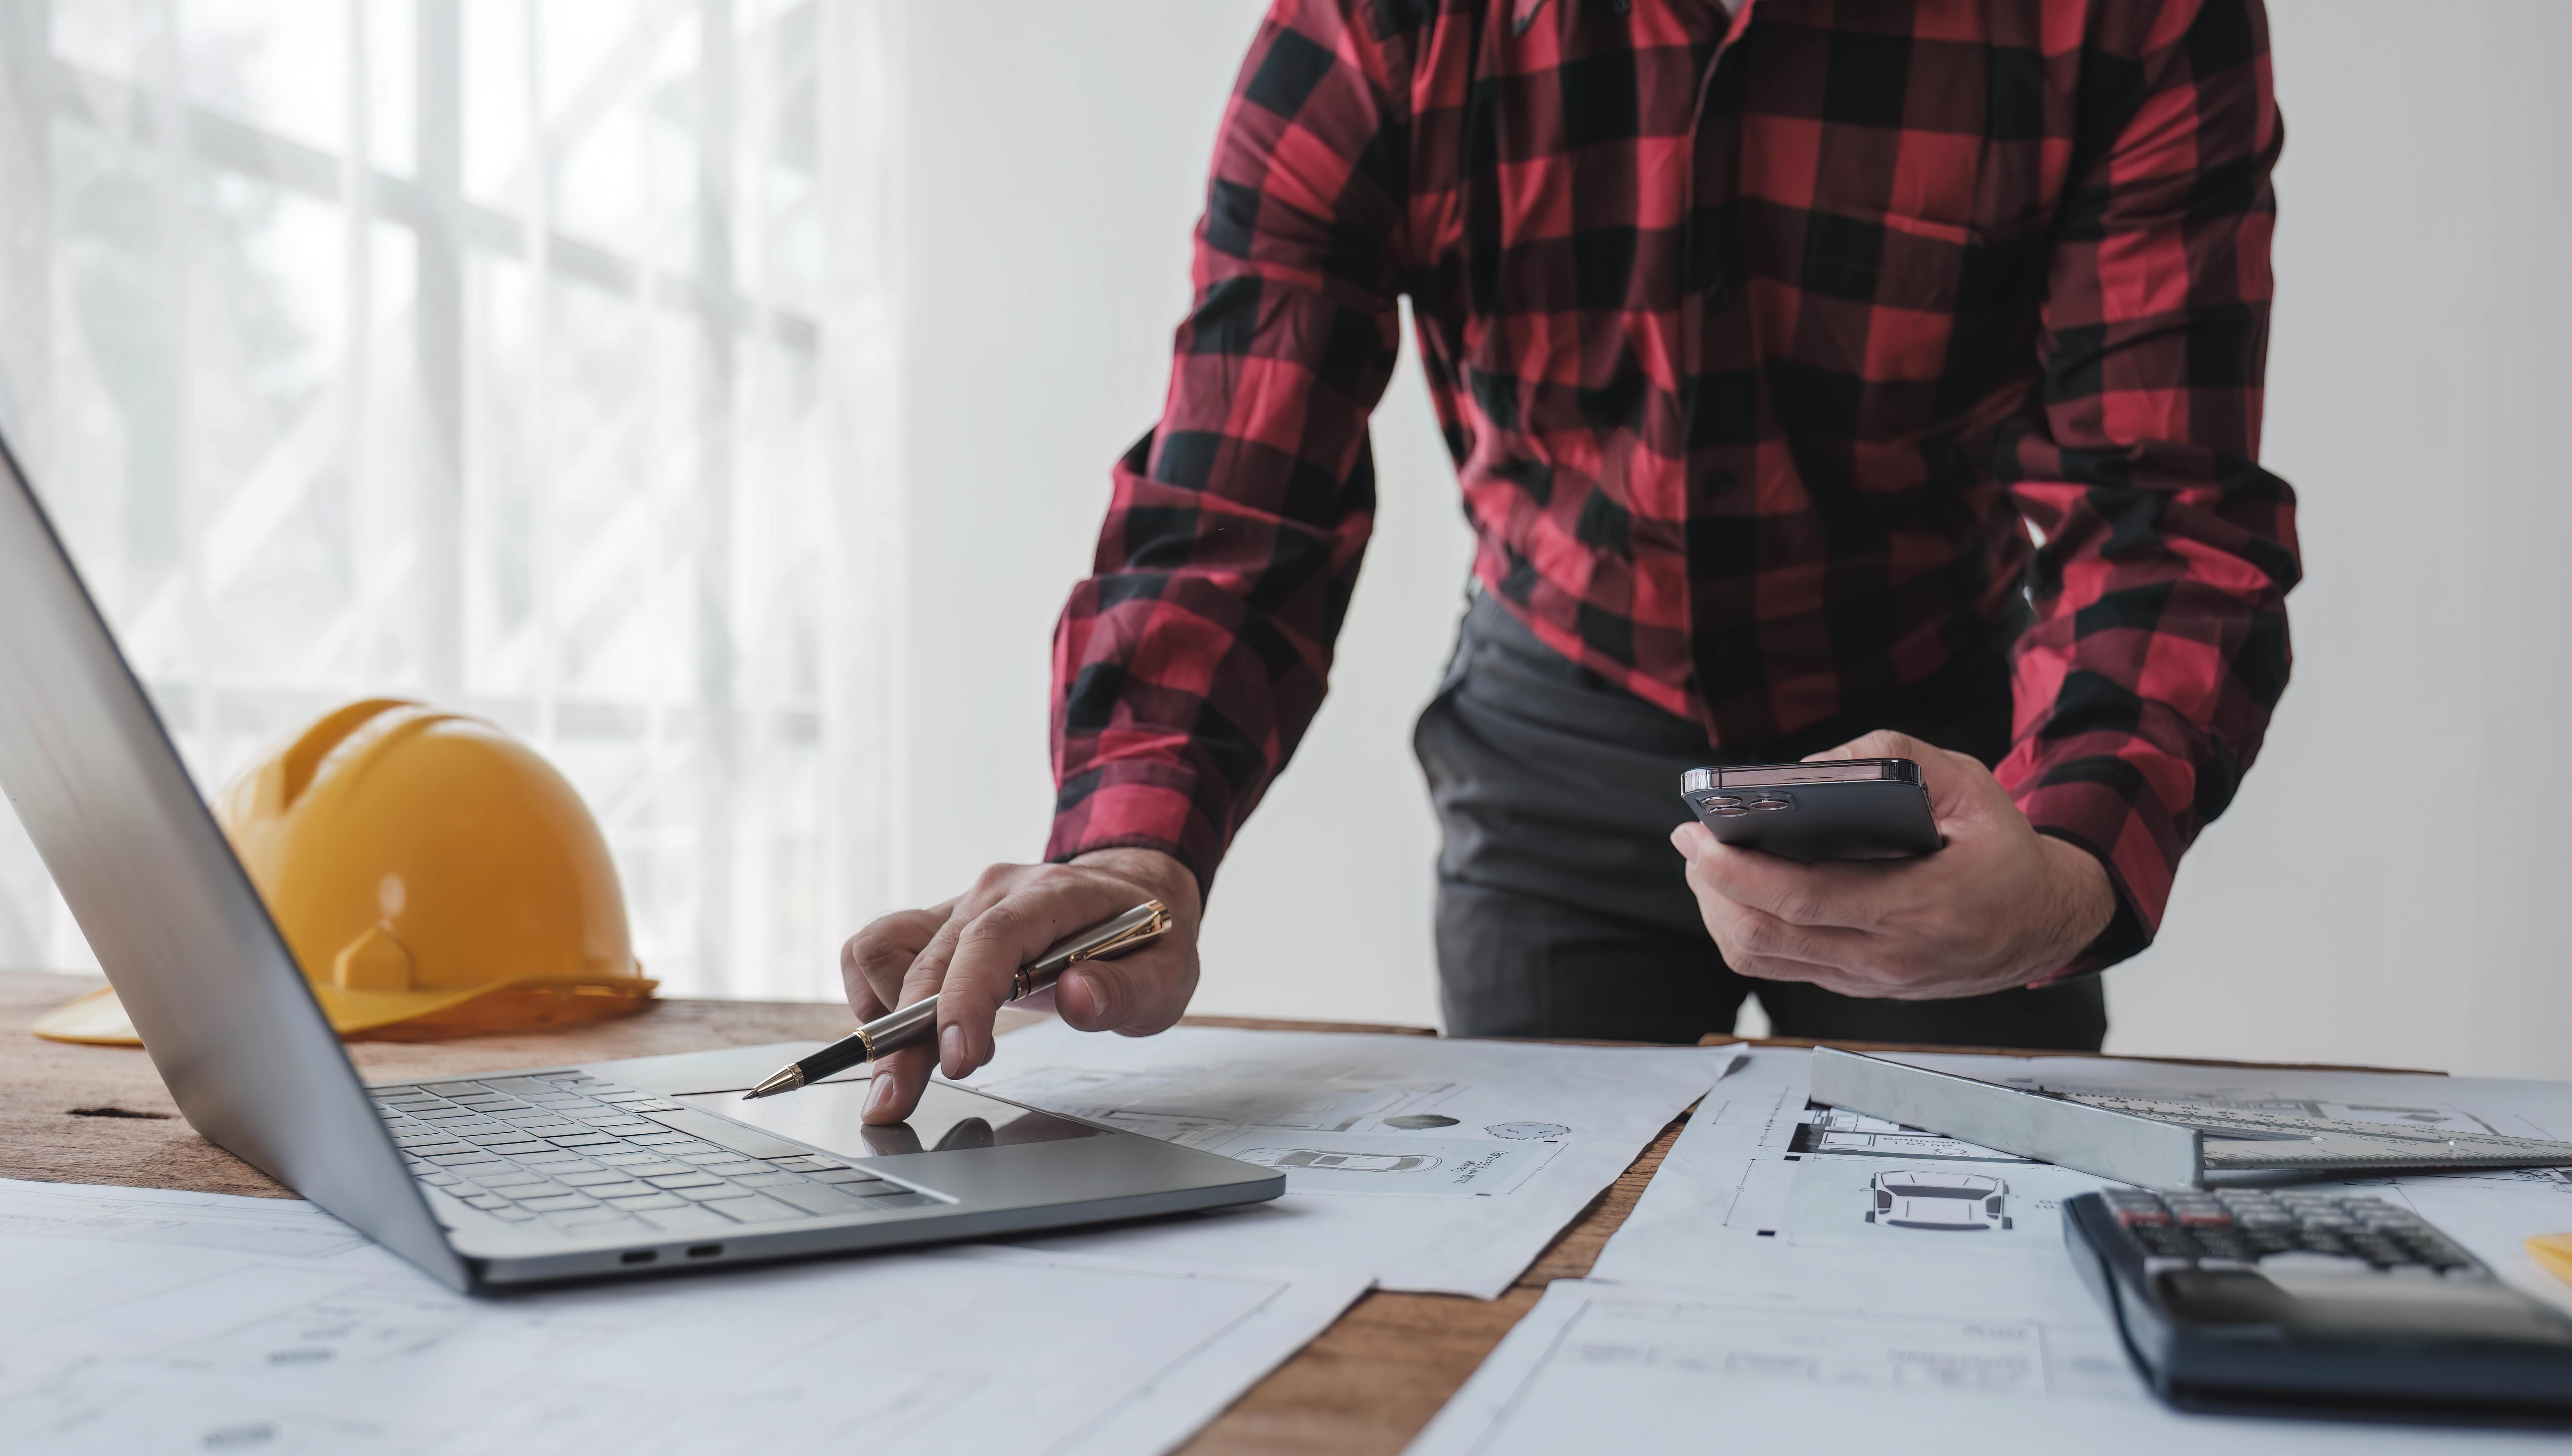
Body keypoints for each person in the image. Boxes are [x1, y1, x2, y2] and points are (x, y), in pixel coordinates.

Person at [849, 0, 2299, 1124]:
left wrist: (2062, 881)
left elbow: (2163, 509)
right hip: (1552, 746)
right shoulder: (1380, 27)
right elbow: (1240, 492)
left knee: (1994, 1297)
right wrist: (1131, 846)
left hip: (1952, 772)